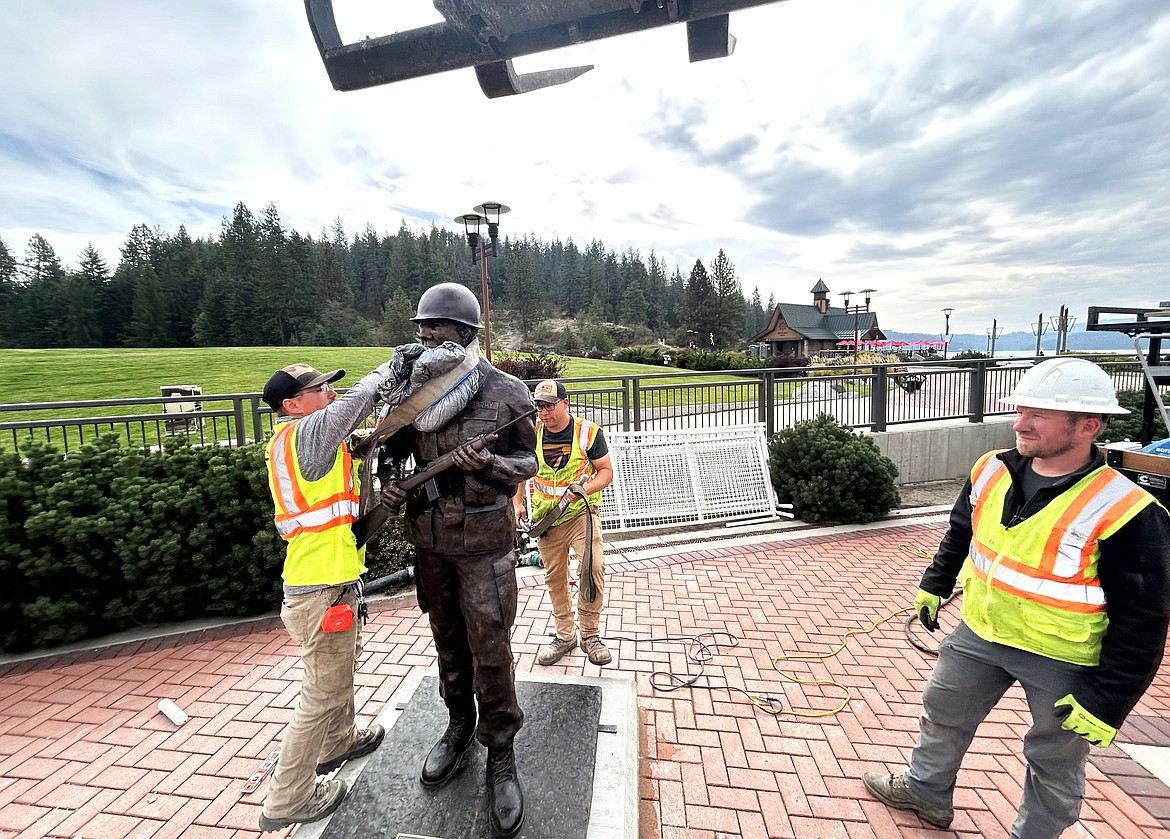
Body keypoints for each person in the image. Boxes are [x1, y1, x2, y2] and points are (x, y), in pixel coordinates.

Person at [862, 357, 1170, 838]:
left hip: (1061, 653)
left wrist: (1110, 699)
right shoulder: (991, 469)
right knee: (942, 712)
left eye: (1037, 415)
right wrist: (935, 582)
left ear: (1087, 426)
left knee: (1052, 758)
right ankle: (925, 791)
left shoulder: (1127, 510)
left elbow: (1145, 618)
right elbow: (961, 532)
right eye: (1020, 410)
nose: (1018, 424)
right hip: (981, 631)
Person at [379, 283, 537, 839]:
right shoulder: (411, 392)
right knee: (447, 639)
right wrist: (391, 483)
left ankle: (501, 752)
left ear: (465, 335)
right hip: (430, 543)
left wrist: (489, 462)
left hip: (485, 544)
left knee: (490, 647)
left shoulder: (509, 393)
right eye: (422, 330)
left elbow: (528, 467)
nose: (425, 339)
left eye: (437, 331)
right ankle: (457, 725)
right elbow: (391, 454)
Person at [258, 362, 390, 832]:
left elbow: (353, 435)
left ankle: (340, 742)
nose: (331, 393)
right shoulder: (303, 435)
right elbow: (354, 407)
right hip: (320, 588)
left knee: (340, 668)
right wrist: (385, 374)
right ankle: (287, 798)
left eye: (332, 385)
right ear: (291, 405)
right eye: (320, 389)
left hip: (330, 581)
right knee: (320, 691)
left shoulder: (309, 441)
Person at [514, 379, 615, 667]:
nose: (543, 412)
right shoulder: (532, 433)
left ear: (565, 404)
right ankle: (565, 635)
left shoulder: (588, 432)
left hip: (581, 514)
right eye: (539, 406)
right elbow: (523, 470)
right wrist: (517, 503)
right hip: (548, 519)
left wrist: (585, 490)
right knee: (555, 578)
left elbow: (605, 472)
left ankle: (591, 635)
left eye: (549, 406)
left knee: (591, 568)